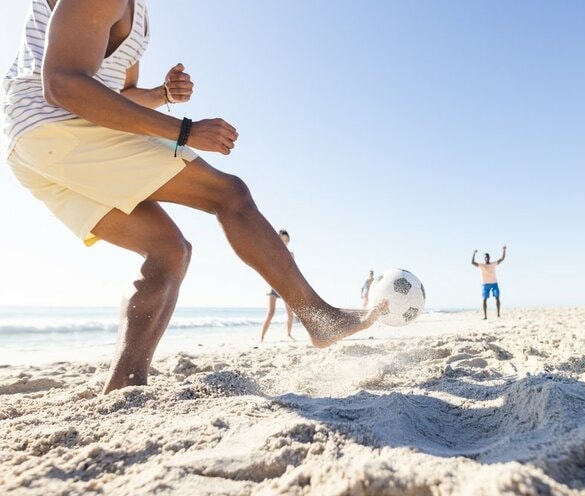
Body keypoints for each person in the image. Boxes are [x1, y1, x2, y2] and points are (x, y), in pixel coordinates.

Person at [1, 0, 383, 394]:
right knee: (229, 194)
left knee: (168, 250)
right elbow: (63, 85)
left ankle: (125, 388)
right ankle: (318, 317)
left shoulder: (140, 16)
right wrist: (183, 131)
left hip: (34, 147)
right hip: (55, 126)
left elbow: (121, 95)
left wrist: (162, 93)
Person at [260, 229, 296, 342]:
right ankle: (261, 337)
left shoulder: (291, 254)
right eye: (281, 239)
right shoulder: (272, 252)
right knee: (270, 313)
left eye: (286, 240)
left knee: (290, 314)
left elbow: (292, 271)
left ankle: (289, 335)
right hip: (275, 285)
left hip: (286, 287)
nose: (284, 242)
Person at [471, 247, 506, 319]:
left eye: (487, 257)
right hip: (485, 284)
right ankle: (485, 316)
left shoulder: (493, 264)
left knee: (497, 298)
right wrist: (474, 253)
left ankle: (498, 314)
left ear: (489, 257)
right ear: (484, 259)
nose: (486, 258)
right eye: (485, 257)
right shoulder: (481, 265)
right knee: (484, 299)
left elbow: (502, 258)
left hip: (494, 283)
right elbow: (472, 262)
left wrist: (504, 250)